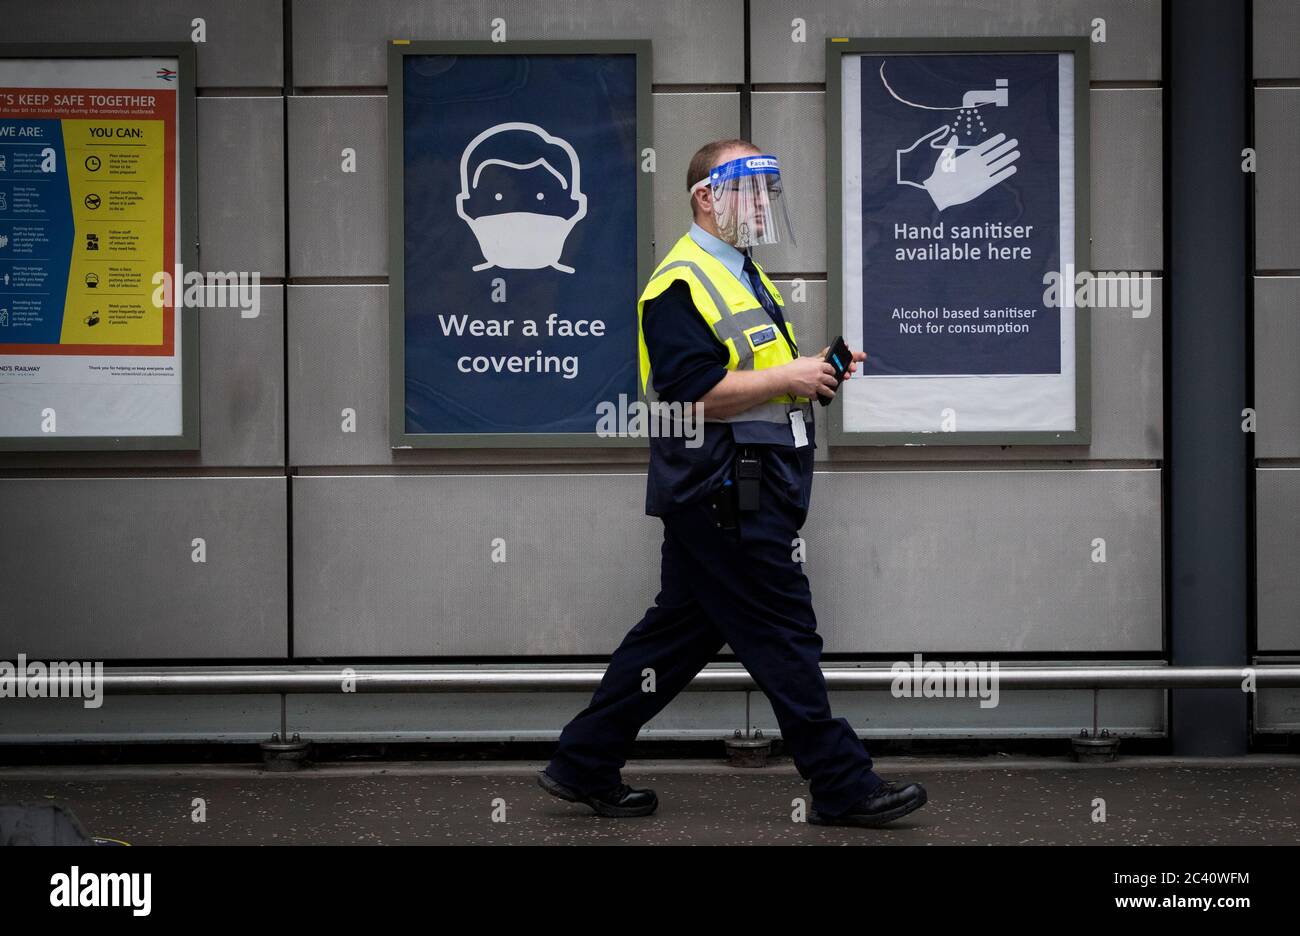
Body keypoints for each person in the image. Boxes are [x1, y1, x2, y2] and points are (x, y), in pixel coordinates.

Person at [538, 139, 928, 828]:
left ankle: (583, 759)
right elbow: (692, 395)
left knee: (678, 635)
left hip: (736, 487)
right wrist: (788, 377)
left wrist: (818, 372)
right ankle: (840, 781)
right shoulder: (681, 282)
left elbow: (760, 379)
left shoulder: (742, 271)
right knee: (784, 632)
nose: (760, 206)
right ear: (705, 198)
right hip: (724, 492)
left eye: (766, 193)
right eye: (749, 192)